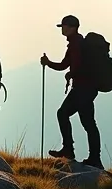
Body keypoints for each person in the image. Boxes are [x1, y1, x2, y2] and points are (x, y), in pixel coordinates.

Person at [41, 14, 102, 168]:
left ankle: (85, 155)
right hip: (84, 88)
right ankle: (76, 152)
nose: (62, 29)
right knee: (80, 120)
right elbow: (64, 65)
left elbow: (78, 67)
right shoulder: (75, 43)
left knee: (84, 121)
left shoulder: (77, 44)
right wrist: (48, 63)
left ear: (72, 27)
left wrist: (71, 74)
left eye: (64, 26)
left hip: (83, 89)